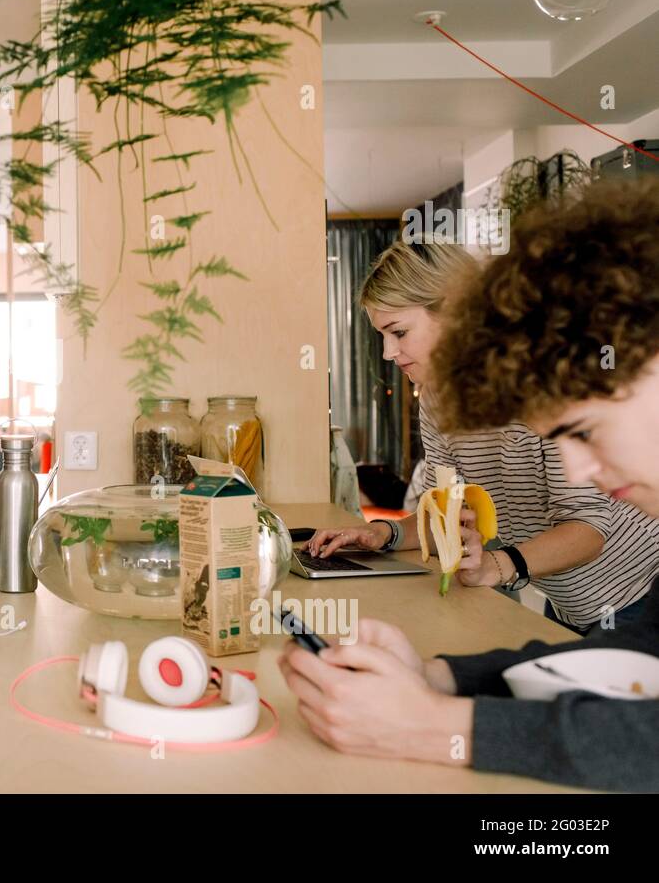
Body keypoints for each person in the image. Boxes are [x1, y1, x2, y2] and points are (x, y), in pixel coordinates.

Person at [279, 177, 659, 790]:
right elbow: (631, 662)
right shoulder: (443, 401)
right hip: (588, 607)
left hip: (617, 587)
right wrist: (439, 676)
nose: (578, 470)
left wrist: (436, 724)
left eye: (585, 431)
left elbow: (639, 738)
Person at [305, 237, 659, 633]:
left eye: (399, 332)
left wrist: (497, 565)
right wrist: (379, 534)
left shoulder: (546, 383)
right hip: (567, 600)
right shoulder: (437, 396)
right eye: (382, 335)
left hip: (638, 591)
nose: (389, 352)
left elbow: (587, 529)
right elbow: (444, 514)